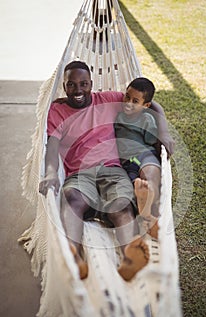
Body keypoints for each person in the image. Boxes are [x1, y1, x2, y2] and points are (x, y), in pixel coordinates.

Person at [39, 60, 174, 281]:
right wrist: (51, 172)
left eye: (83, 84)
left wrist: (165, 131)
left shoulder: (108, 100)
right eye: (71, 85)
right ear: (64, 86)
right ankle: (75, 257)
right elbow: (52, 146)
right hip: (78, 173)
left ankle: (131, 254)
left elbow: (150, 103)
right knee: (72, 199)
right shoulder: (57, 110)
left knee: (120, 205)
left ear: (91, 84)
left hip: (113, 169)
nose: (78, 90)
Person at [115, 77, 161, 239]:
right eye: (127, 97)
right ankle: (146, 215)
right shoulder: (116, 115)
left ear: (146, 106)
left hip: (144, 155)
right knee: (133, 188)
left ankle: (147, 209)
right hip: (126, 164)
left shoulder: (147, 119)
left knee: (150, 177)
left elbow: (153, 141)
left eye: (135, 101)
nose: (128, 103)